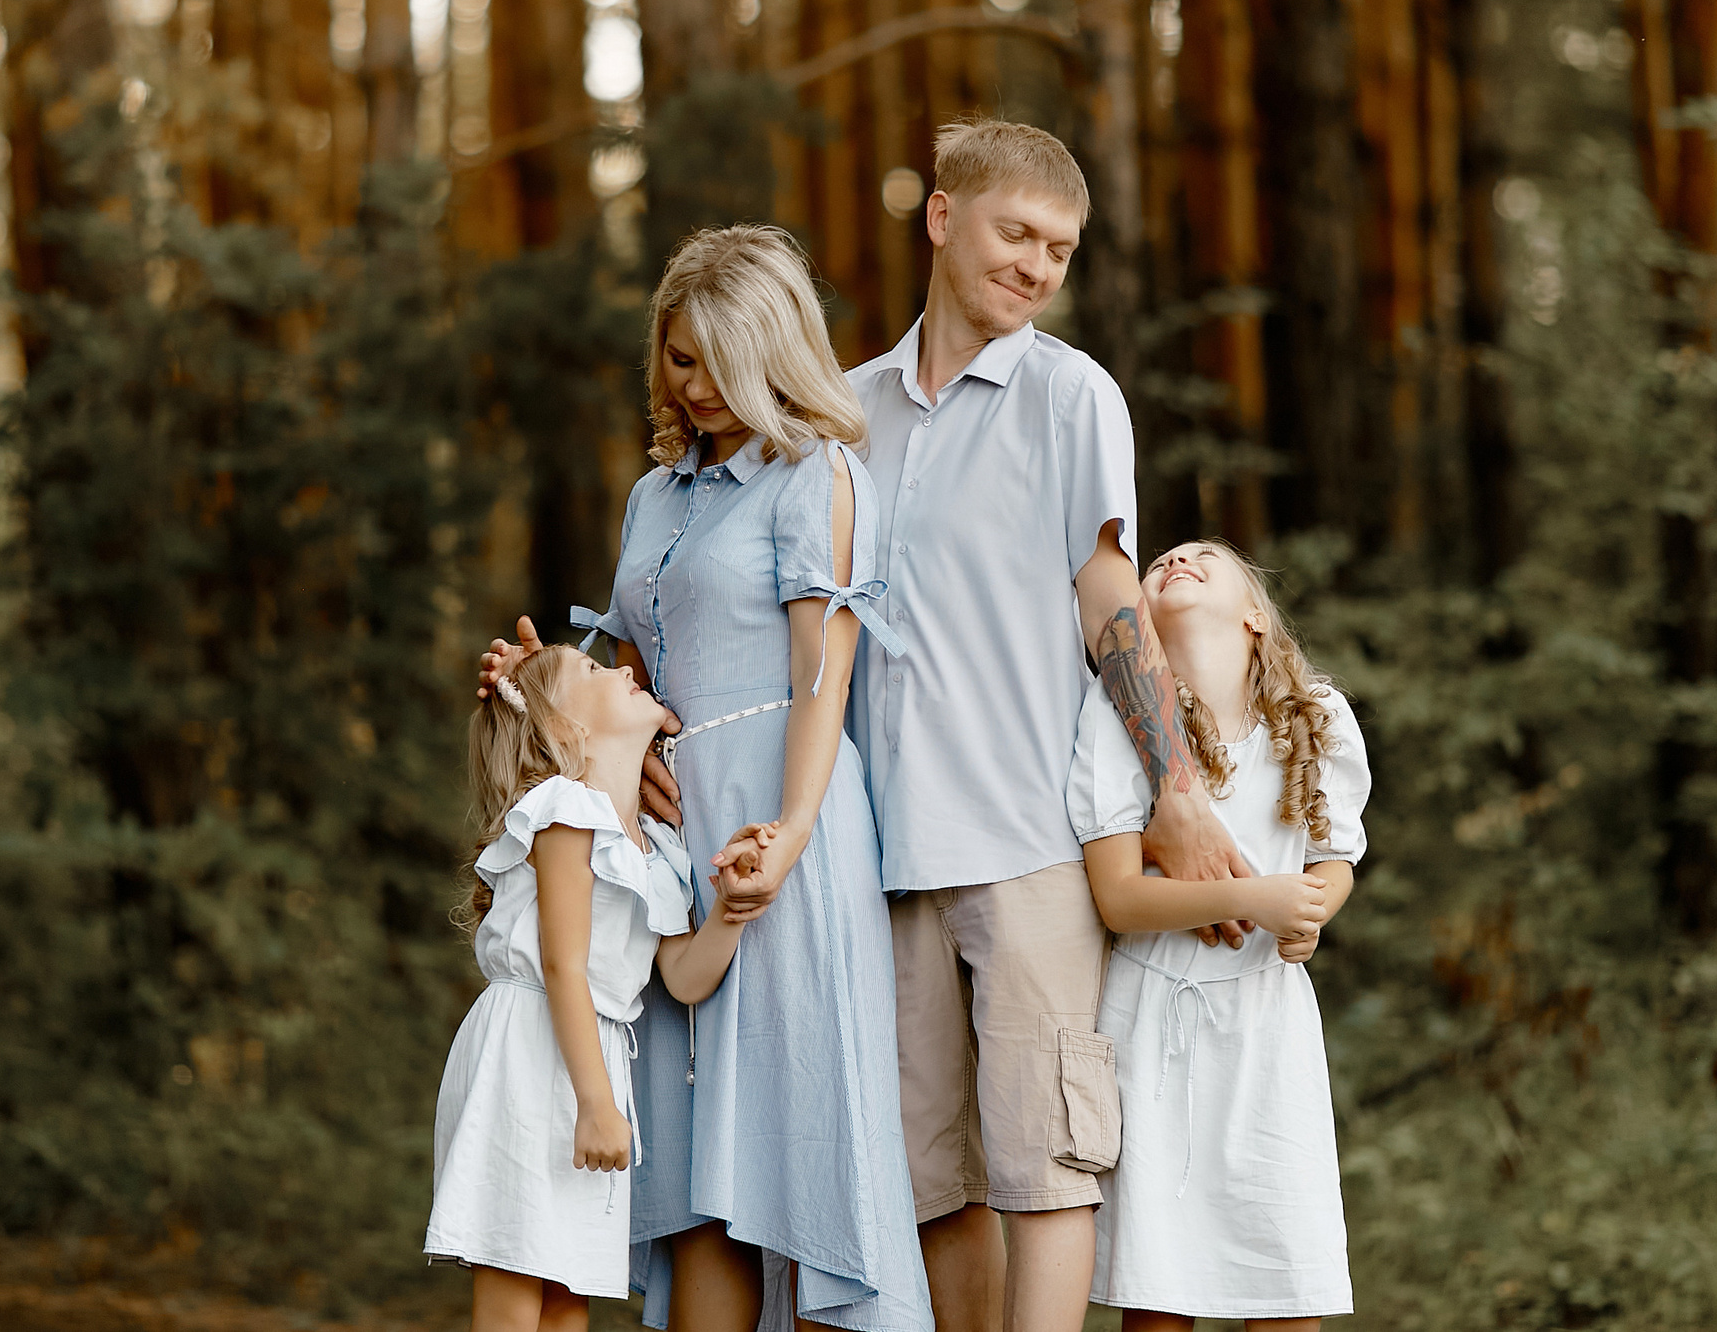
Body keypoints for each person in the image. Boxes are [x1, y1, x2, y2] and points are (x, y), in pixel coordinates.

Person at [803, 120, 1249, 1332]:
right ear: (943, 218)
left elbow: (1110, 598)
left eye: (1059, 249)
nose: (1037, 266)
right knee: (928, 1182)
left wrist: (1175, 789)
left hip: (1030, 846)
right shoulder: (845, 413)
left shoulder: (1070, 395)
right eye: (1017, 234)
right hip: (878, 860)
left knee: (1047, 1170)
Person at [494, 226, 933, 1332]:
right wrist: (542, 688)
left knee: (796, 1161)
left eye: (715, 364)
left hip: (779, 830)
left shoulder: (816, 475)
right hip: (667, 855)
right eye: (678, 358)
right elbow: (638, 674)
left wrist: (792, 830)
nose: (692, 388)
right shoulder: (653, 496)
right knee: (697, 1178)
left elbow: (822, 674)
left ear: (772, 354)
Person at [1067, 541, 1370, 1329]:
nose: (1178, 559)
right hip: (1152, 1030)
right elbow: (1118, 898)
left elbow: (1335, 858)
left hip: (1269, 1026)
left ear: (1255, 614)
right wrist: (1253, 896)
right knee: (1162, 1295)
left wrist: (1310, 911)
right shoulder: (1119, 715)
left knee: (1285, 1281)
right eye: (1161, 559)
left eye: (1205, 555)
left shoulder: (1315, 714)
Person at [427, 643, 757, 1332]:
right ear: (565, 728)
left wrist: (729, 910)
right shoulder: (566, 810)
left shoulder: (655, 849)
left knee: (566, 1293)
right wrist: (597, 1104)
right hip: (530, 1053)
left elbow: (683, 976)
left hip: (586, 1057)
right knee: (516, 1282)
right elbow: (562, 964)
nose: (625, 668)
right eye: (596, 671)